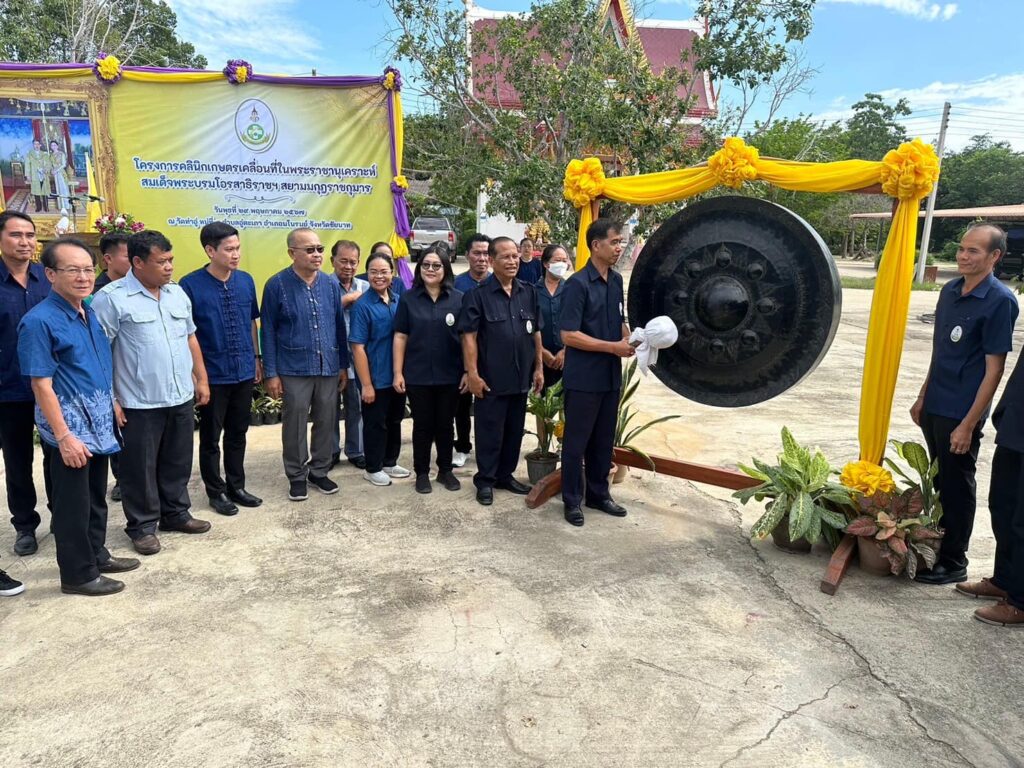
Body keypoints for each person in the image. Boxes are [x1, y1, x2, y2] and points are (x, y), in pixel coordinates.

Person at [18, 237, 140, 595]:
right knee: (72, 506)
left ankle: (96, 554)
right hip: (70, 430)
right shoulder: (39, 322)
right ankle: (78, 574)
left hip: (99, 423)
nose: (84, 277)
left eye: (88, 269)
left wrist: (112, 402)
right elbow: (41, 384)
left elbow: (97, 366)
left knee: (95, 498)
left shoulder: (89, 311)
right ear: (50, 274)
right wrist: (64, 437)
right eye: (73, 270)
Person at [92, 230, 213, 556]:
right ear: (137, 262)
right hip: (138, 401)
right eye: (161, 262)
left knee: (177, 460)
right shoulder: (112, 298)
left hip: (179, 395)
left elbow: (190, 337)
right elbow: (100, 352)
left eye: (171, 260)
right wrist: (111, 399)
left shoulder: (177, 294)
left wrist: (201, 379)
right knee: (139, 468)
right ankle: (142, 526)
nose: (169, 267)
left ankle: (176, 513)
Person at [911, 223, 1019, 584]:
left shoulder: (1000, 301)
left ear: (994, 256)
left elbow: (994, 369)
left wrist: (969, 424)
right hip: (936, 402)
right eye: (961, 248)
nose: (963, 256)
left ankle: (954, 560)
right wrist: (923, 396)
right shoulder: (950, 291)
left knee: (957, 486)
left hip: (962, 410)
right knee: (939, 481)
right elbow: (939, 351)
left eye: (974, 251)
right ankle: (936, 548)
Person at [180, 222, 263, 517]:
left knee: (238, 432)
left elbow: (252, 322)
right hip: (213, 374)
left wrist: (256, 358)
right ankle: (215, 492)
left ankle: (236, 486)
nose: (235, 254)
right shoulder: (190, 285)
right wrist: (197, 376)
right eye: (229, 249)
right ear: (210, 250)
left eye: (237, 248)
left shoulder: (245, 281)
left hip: (243, 370)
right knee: (211, 437)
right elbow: (187, 334)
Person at [261, 228, 349, 502]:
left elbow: (338, 325)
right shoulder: (276, 285)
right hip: (293, 367)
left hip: (328, 365)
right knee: (295, 424)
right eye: (309, 250)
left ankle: (319, 471)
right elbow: (268, 330)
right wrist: (271, 373)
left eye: (320, 249)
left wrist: (343, 365)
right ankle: (297, 476)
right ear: (292, 253)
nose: (317, 255)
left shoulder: (330, 285)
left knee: (326, 420)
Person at [559, 219, 635, 527]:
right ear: (596, 245)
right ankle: (571, 500)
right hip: (583, 378)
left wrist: (632, 339)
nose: (619, 248)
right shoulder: (577, 285)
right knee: (576, 443)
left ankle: (598, 495)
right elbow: (568, 335)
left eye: (621, 242)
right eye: (614, 242)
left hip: (609, 377)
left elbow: (618, 321)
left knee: (603, 440)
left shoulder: (615, 281)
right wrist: (612, 347)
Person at [460, 236, 544, 505]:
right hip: (490, 380)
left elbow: (536, 332)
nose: (512, 261)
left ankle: (505, 476)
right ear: (492, 260)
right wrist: (472, 374)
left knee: (513, 430)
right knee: (489, 432)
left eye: (515, 256)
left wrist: (539, 367)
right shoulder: (477, 296)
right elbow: (469, 337)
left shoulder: (528, 292)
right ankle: (485, 480)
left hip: (520, 378)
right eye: (506, 257)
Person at [958, 348, 1024, 626]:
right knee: (1002, 504)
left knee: (1022, 520)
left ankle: (1020, 602)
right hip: (1017, 424)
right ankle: (1005, 580)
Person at [0, 210, 52, 557]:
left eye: (30, 235)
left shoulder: (47, 278)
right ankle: (25, 525)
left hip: (52, 386)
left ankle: (63, 516)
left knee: (58, 454)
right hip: (10, 388)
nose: (25, 242)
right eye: (16, 235)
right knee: (17, 460)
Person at [393, 247, 464, 494]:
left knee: (445, 424)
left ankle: (445, 470)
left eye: (436, 265)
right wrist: (398, 372)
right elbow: (401, 336)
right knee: (422, 425)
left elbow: (466, 338)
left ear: (446, 269)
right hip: (418, 373)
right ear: (419, 268)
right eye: (426, 265)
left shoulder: (458, 299)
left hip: (450, 374)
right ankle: (422, 473)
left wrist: (468, 371)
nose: (430, 270)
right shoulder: (408, 298)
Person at [350, 253, 411, 486]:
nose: (379, 276)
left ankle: (389, 461)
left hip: (397, 375)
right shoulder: (362, 306)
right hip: (375, 377)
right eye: (373, 272)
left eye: (384, 271)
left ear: (392, 273)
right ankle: (373, 467)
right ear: (367, 274)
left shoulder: (399, 301)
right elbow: (357, 347)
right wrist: (366, 384)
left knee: (395, 420)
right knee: (375, 424)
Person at [452, 233, 492, 467]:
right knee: (462, 406)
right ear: (467, 255)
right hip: (463, 357)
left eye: (486, 253)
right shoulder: (457, 284)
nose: (482, 258)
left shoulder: (497, 282)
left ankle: (489, 449)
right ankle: (463, 446)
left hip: (491, 356)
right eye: (477, 253)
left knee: (490, 405)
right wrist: (467, 368)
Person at [329, 240, 369, 470]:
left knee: (357, 407)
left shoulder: (366, 286)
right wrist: (346, 300)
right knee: (329, 410)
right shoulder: (323, 285)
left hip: (359, 359)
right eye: (343, 261)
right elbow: (320, 313)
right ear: (332, 260)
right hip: (331, 359)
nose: (348, 266)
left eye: (353, 262)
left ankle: (356, 451)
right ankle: (331, 451)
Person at [536, 243, 570, 392]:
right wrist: (542, 352)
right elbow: (528, 327)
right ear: (546, 263)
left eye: (564, 260)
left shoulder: (572, 289)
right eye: (557, 260)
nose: (561, 264)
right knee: (542, 400)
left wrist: (565, 351)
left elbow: (580, 323)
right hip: (540, 359)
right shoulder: (532, 291)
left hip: (568, 358)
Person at [25, 139, 51, 213]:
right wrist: (28, 175)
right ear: (33, 145)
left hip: (43, 175)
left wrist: (46, 170)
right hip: (34, 175)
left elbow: (48, 164)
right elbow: (27, 165)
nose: (36, 146)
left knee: (45, 191)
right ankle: (38, 207)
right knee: (36, 192)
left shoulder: (45, 154)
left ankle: (46, 207)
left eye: (37, 144)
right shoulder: (29, 154)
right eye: (35, 144)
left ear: (40, 145)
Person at [49, 139, 72, 211]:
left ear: (57, 146)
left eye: (54, 145)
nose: (53, 146)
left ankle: (67, 205)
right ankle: (61, 206)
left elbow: (63, 164)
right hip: (55, 174)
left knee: (64, 189)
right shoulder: (51, 155)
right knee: (58, 190)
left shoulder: (61, 154)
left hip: (61, 173)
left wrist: (56, 170)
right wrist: (52, 170)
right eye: (52, 145)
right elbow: (51, 165)